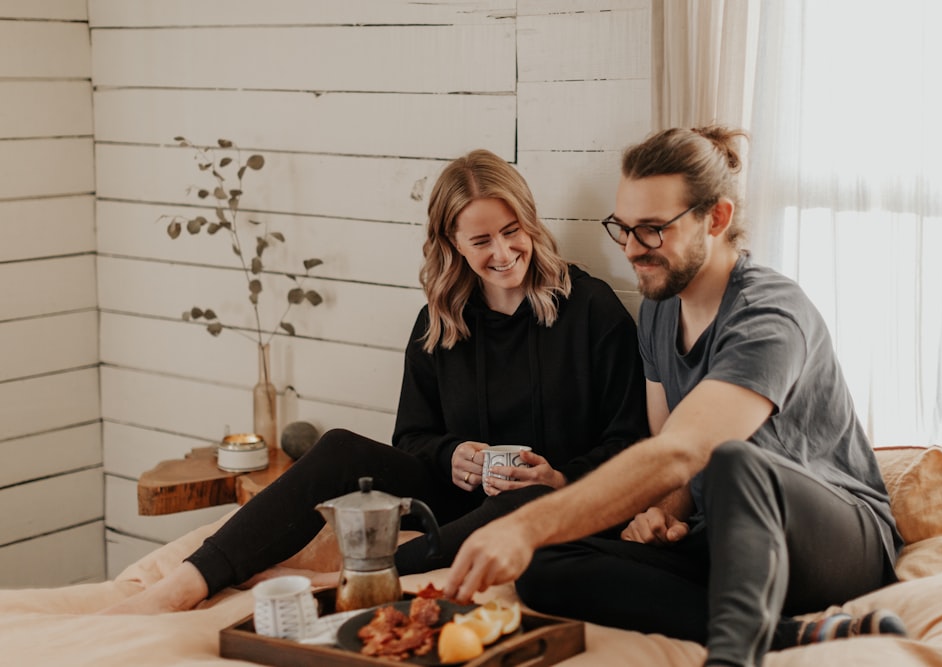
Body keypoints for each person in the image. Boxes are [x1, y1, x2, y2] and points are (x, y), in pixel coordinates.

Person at [102, 148, 648, 615]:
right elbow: (409, 439)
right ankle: (185, 583)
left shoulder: (593, 311)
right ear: (452, 243)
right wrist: (449, 454)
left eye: (512, 232)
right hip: (455, 503)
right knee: (339, 448)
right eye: (481, 240)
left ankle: (347, 582)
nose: (502, 253)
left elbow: (630, 444)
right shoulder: (442, 320)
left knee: (521, 501)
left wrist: (557, 479)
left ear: (531, 222)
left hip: (549, 505)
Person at [443, 127, 906, 667]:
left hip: (835, 542)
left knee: (736, 461)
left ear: (716, 218)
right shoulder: (660, 309)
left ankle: (731, 658)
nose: (633, 249)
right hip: (728, 542)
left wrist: (523, 524)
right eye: (624, 227)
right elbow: (667, 449)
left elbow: (686, 449)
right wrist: (663, 512)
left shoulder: (770, 315)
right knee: (546, 566)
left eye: (654, 230)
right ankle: (789, 636)